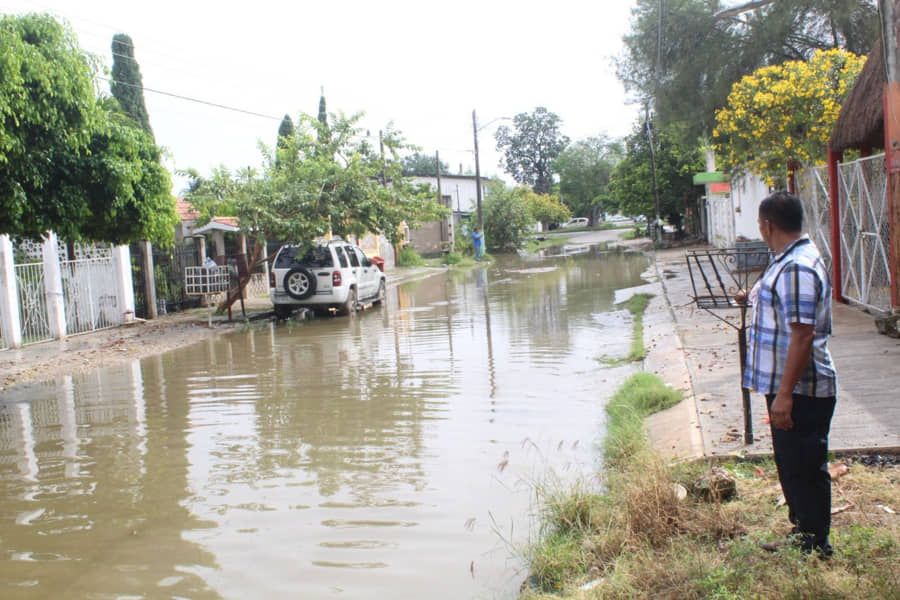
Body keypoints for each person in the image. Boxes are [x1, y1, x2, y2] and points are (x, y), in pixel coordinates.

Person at [739, 191, 837, 557]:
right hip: (789, 387)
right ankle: (803, 535)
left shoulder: (795, 266)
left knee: (805, 468)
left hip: (801, 390)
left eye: (760, 225)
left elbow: (802, 334)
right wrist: (749, 297)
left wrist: (783, 395)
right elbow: (781, 302)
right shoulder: (788, 259)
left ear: (767, 225)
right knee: (792, 465)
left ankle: (815, 544)